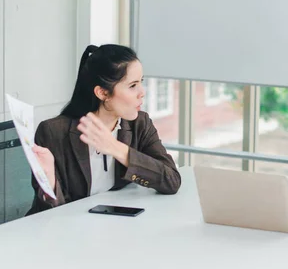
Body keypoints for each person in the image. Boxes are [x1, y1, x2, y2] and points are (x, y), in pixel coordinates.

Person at [27, 44, 181, 215]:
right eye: (132, 85)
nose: (142, 92)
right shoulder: (53, 132)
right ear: (103, 93)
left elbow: (171, 181)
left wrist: (116, 148)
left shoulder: (139, 124)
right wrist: (49, 182)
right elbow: (48, 214)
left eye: (141, 82)